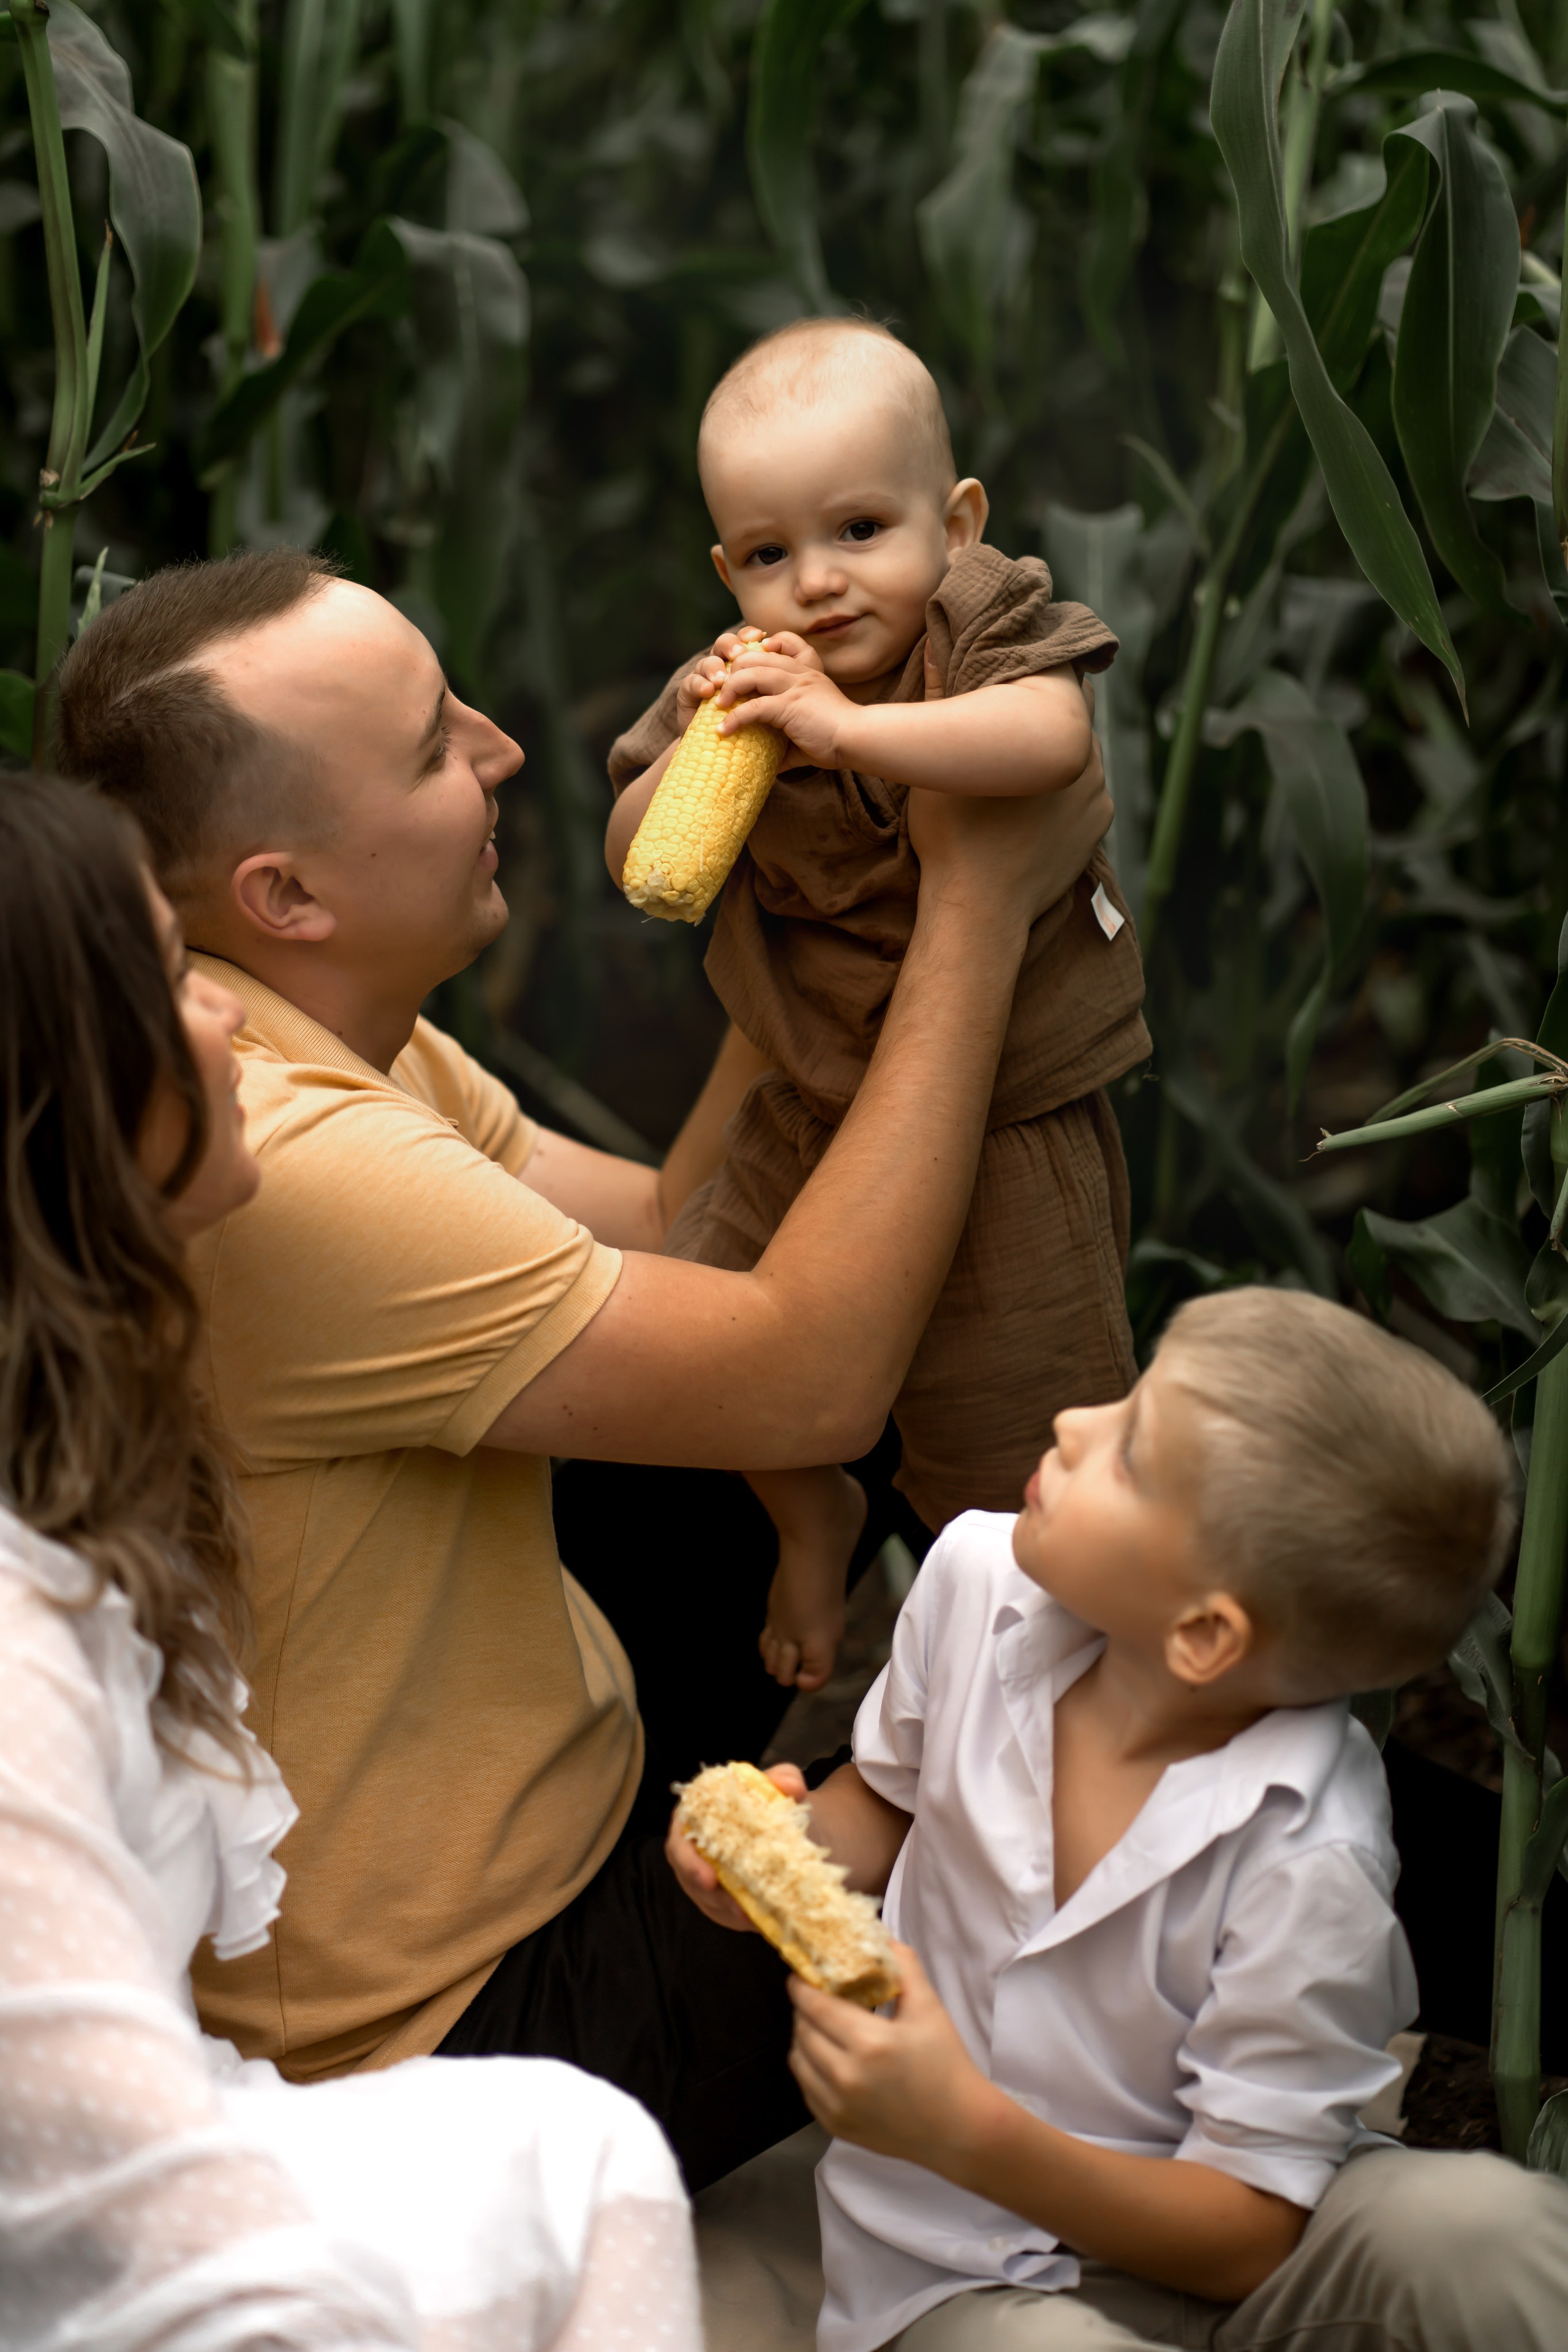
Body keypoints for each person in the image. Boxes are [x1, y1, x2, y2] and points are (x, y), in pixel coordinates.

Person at [50, 546, 1112, 2188]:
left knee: (741, 1484)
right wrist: (971, 897)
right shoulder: (272, 1152)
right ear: (285, 898)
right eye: (428, 748)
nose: (504, 747)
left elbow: (698, 1238)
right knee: (1159, 1783)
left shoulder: (335, 1024)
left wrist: (807, 906)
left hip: (568, 1780)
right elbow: (808, 1370)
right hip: (451, 2035)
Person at [0, 771, 701, 2352]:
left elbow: (686, 1229)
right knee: (589, 2150)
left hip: (257, 2089)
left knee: (570, 2151)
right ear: (65, 1091)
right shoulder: (15, 1661)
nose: (230, 1022)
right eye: (173, 980)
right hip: (329, 2076)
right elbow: (144, 2236)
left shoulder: (83, 1455)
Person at [669, 1286, 1568, 2350]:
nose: (1073, 1422)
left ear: (1200, 1636)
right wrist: (789, 1852)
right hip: (956, 2261)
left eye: (1131, 1451)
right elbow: (888, 1803)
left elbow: (1247, 2236)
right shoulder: (970, 1580)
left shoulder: (1308, 1845)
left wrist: (962, 2124)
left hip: (1221, 2230)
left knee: (1486, 2231)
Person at [605, 315, 1149, 1696]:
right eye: (771, 555)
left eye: (859, 529)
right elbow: (633, 854)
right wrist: (695, 753)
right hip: (812, 1104)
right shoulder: (739, 679)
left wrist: (846, 733)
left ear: (954, 523)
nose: (820, 584)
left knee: (1008, 1438)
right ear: (729, 572)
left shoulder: (975, 626)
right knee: (702, 1335)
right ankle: (812, 1522)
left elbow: (1049, 738)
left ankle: (1026, 1679)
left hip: (1007, 1131)